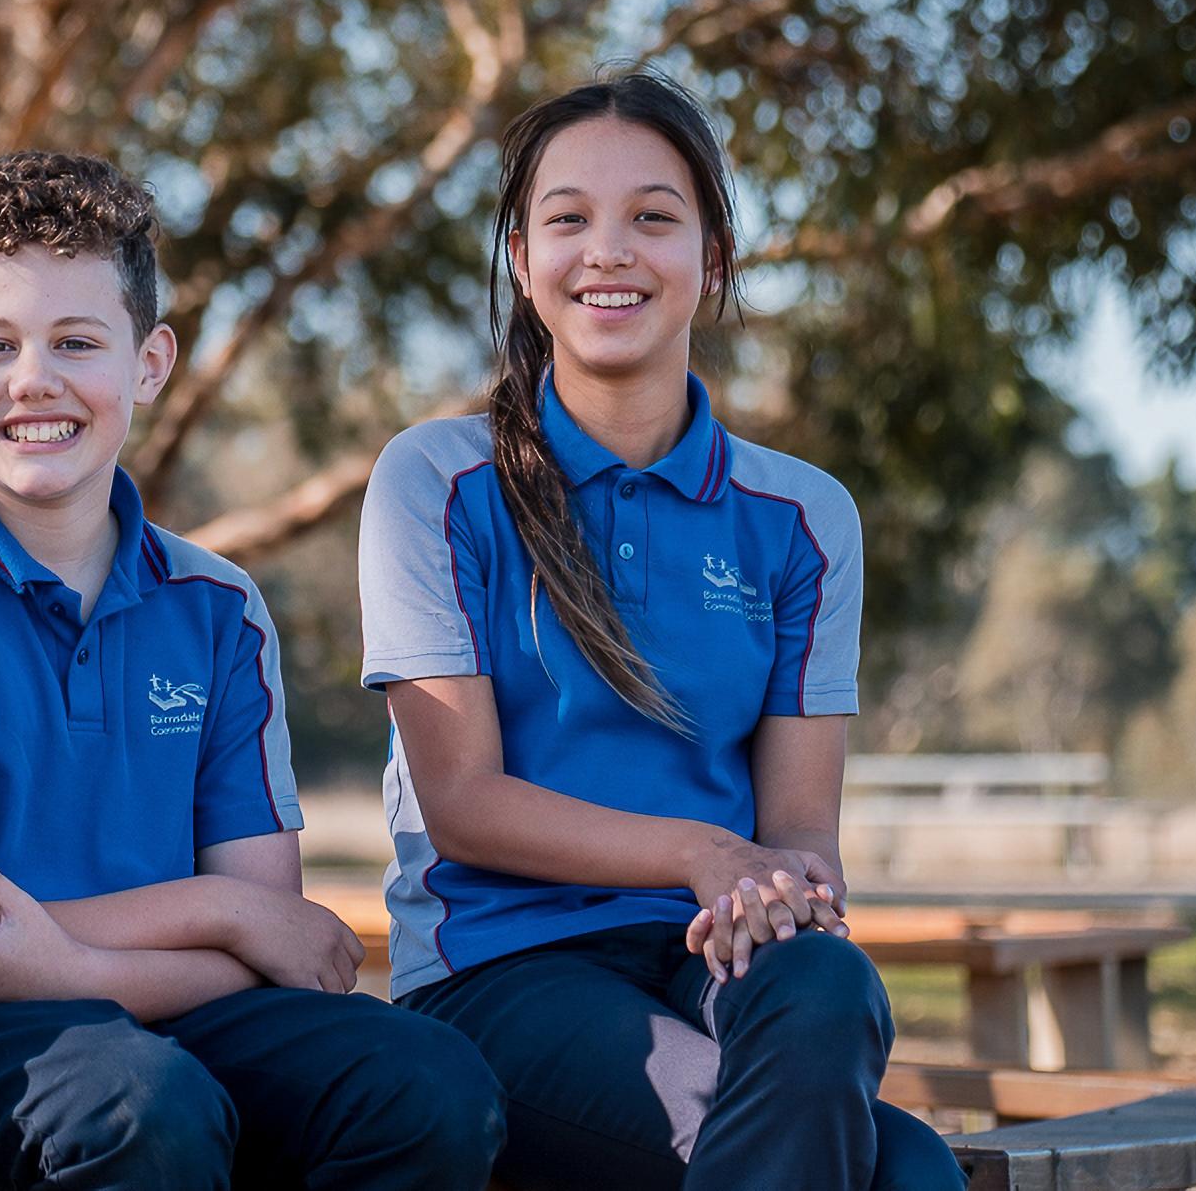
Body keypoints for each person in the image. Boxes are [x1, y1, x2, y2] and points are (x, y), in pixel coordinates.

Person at [0, 151, 505, 1190]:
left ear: (150, 363)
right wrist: (218, 915)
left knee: (428, 1084)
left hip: (159, 1020)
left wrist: (83, 964)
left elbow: (274, 937)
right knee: (144, 1107)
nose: (33, 379)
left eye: (76, 342)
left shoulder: (218, 609)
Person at [359, 72, 964, 1190]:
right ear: (521, 259)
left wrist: (779, 890)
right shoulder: (436, 482)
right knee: (909, 1175)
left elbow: (800, 829)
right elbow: (462, 804)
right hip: (499, 969)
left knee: (833, 982)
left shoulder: (803, 517)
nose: (609, 251)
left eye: (652, 216)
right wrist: (698, 854)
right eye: (568, 219)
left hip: (715, 955)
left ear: (713, 258)